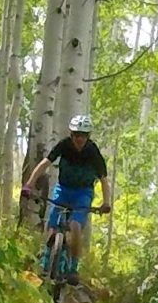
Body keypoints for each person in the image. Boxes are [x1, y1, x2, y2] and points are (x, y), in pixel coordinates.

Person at [22, 113, 113, 285]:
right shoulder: (63, 146)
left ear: (88, 136)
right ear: (71, 135)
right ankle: (46, 258)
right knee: (52, 223)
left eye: (84, 135)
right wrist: (29, 185)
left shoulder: (93, 151)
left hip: (83, 193)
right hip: (63, 189)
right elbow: (44, 164)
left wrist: (106, 203)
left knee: (75, 226)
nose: (80, 139)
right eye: (77, 135)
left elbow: (103, 179)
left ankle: (73, 267)